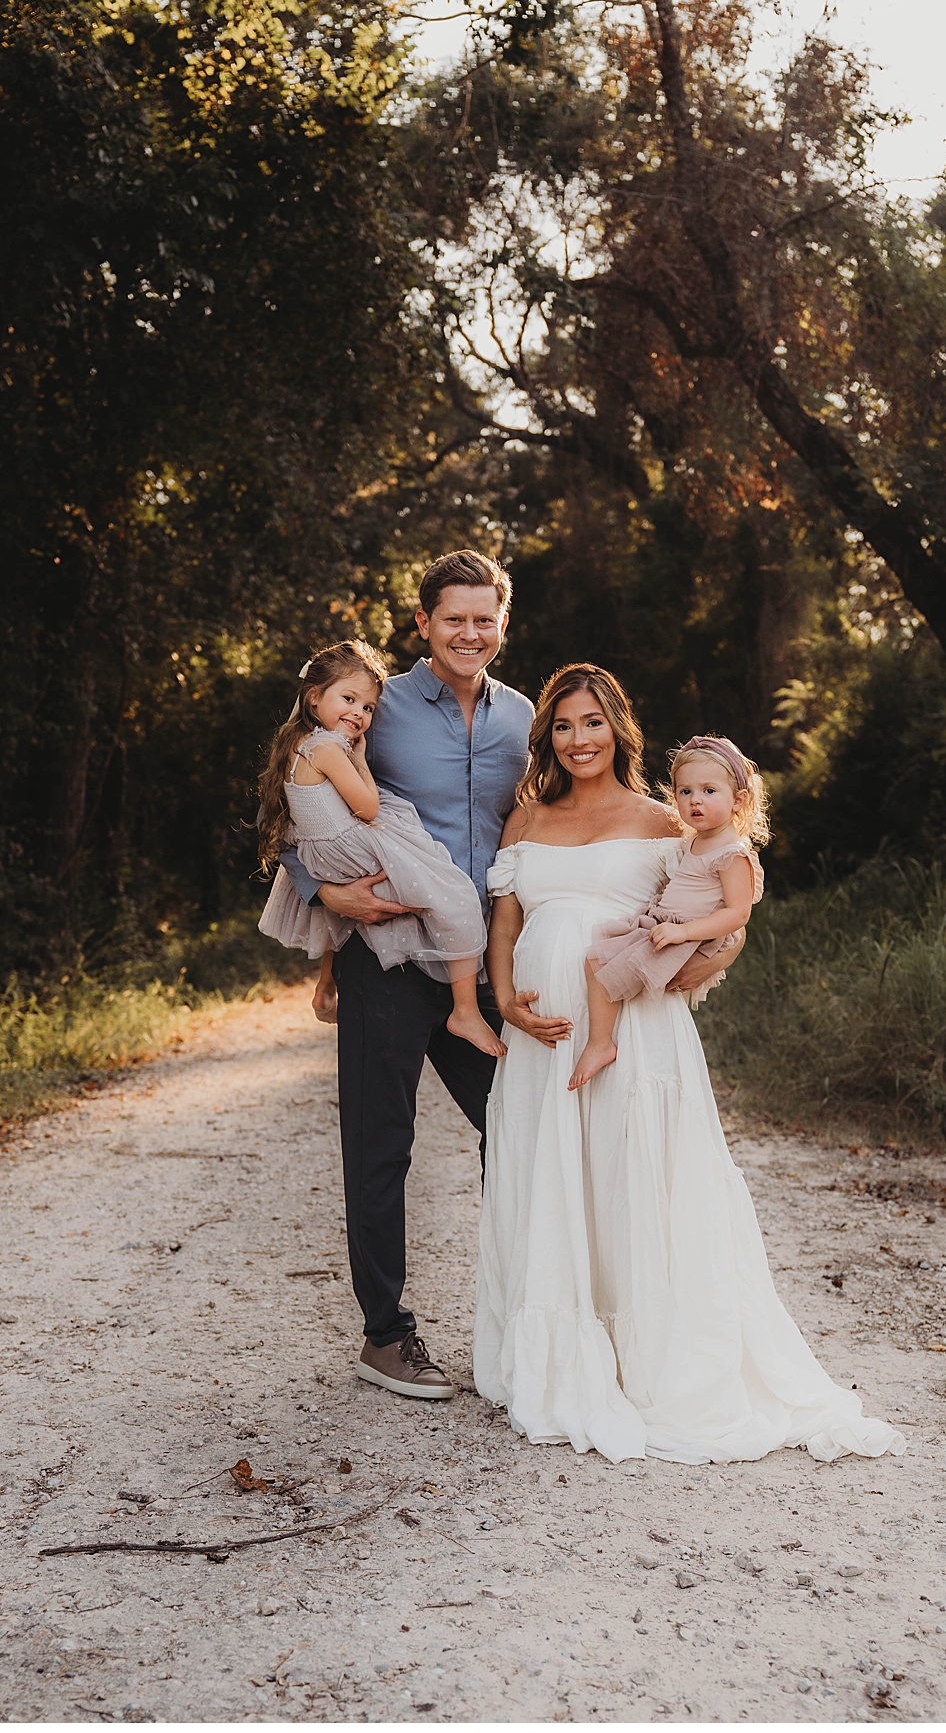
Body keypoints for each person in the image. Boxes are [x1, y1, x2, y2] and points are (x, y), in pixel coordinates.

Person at [267, 555, 738, 1402]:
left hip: (487, 972)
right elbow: (300, 798)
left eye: (485, 620)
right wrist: (320, 890)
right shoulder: (376, 704)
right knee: (381, 1148)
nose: (470, 634)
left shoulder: (526, 714)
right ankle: (386, 1334)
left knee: (519, 1134)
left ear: (503, 624)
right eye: (454, 619)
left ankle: (535, 1312)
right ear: (423, 624)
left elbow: (568, 830)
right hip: (388, 956)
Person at [476, 662, 906, 1466]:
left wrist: (703, 962)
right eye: (563, 726)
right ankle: (561, 1352)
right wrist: (504, 997)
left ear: (618, 729)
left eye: (593, 723)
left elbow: (720, 917)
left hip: (636, 1032)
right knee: (555, 1179)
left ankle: (649, 1362)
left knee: (629, 1176)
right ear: (548, 737)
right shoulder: (524, 821)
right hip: (545, 1033)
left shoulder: (663, 821)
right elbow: (504, 922)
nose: (579, 740)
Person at [256, 639, 504, 1059]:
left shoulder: (302, 743)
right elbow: (367, 807)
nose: (359, 713)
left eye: (368, 707)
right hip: (353, 846)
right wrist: (361, 761)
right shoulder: (331, 748)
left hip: (337, 848)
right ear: (314, 698)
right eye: (349, 699)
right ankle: (464, 1011)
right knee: (455, 898)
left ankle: (446, 1002)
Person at [568, 732, 767, 1089]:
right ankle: (611, 1045)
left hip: (687, 935)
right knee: (599, 960)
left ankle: (600, 1043)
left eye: (709, 791)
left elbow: (738, 914)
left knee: (600, 963)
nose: (695, 801)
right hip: (667, 925)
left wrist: (684, 932)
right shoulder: (695, 841)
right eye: (685, 792)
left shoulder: (732, 854)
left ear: (738, 800)